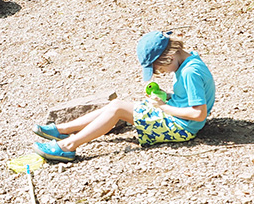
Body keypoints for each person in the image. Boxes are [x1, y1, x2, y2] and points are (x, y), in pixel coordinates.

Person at [32, 30, 215, 162]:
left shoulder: (190, 72)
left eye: (159, 68)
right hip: (177, 117)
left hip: (181, 128)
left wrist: (163, 106)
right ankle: (62, 130)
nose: (162, 72)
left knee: (118, 108)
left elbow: (198, 114)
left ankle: (67, 147)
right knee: (117, 105)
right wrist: (166, 97)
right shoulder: (190, 60)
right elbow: (192, 97)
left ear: (169, 56)